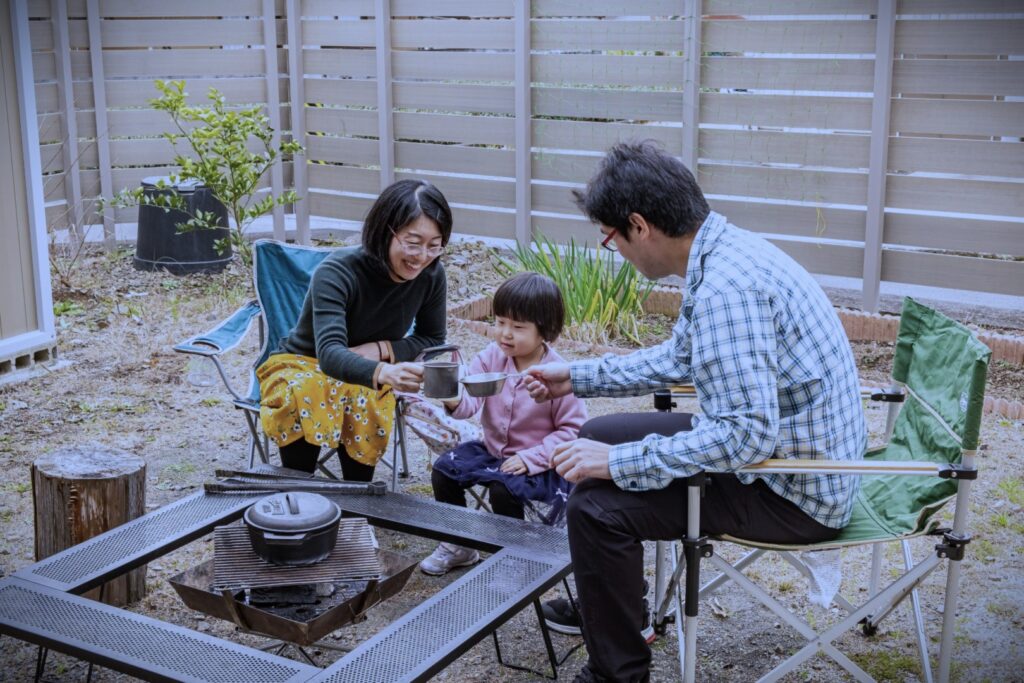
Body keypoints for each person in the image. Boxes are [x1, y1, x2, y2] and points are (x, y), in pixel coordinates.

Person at [524, 141, 867, 683]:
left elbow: (745, 437)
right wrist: (578, 375)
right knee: (596, 433)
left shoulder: (727, 290)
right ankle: (620, 606)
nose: (613, 250)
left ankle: (617, 674)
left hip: (791, 489)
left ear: (640, 226)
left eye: (610, 238)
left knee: (595, 506)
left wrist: (618, 464)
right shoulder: (722, 253)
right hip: (784, 454)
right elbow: (680, 357)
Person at [257, 179, 452, 480]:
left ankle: (359, 497)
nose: (422, 256)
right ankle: (297, 489)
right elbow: (329, 354)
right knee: (306, 390)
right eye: (413, 243)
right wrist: (384, 371)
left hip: (371, 372)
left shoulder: (432, 276)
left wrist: (382, 350)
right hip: (304, 363)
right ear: (385, 230)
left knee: (367, 395)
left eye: (434, 245)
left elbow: (433, 338)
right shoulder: (338, 271)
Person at [419, 272, 587, 575]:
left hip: (540, 462)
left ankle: (514, 557)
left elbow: (572, 431)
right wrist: (453, 398)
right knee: (444, 470)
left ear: (545, 331)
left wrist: (531, 458)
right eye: (500, 322)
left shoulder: (558, 373)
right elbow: (471, 403)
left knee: (502, 488)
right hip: (494, 451)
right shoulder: (491, 358)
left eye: (518, 327)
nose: (505, 334)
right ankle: (458, 543)